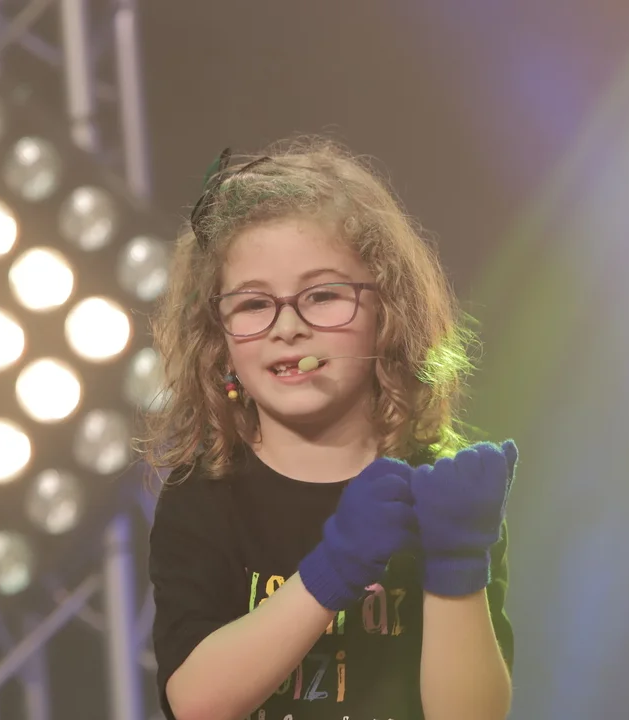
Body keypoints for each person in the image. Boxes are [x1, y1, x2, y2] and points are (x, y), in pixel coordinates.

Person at [138, 137, 517, 720]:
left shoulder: (442, 490)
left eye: (322, 295)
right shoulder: (206, 493)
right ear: (217, 339)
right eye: (253, 304)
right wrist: (336, 565)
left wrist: (458, 561)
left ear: (387, 312)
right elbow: (197, 704)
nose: (287, 326)